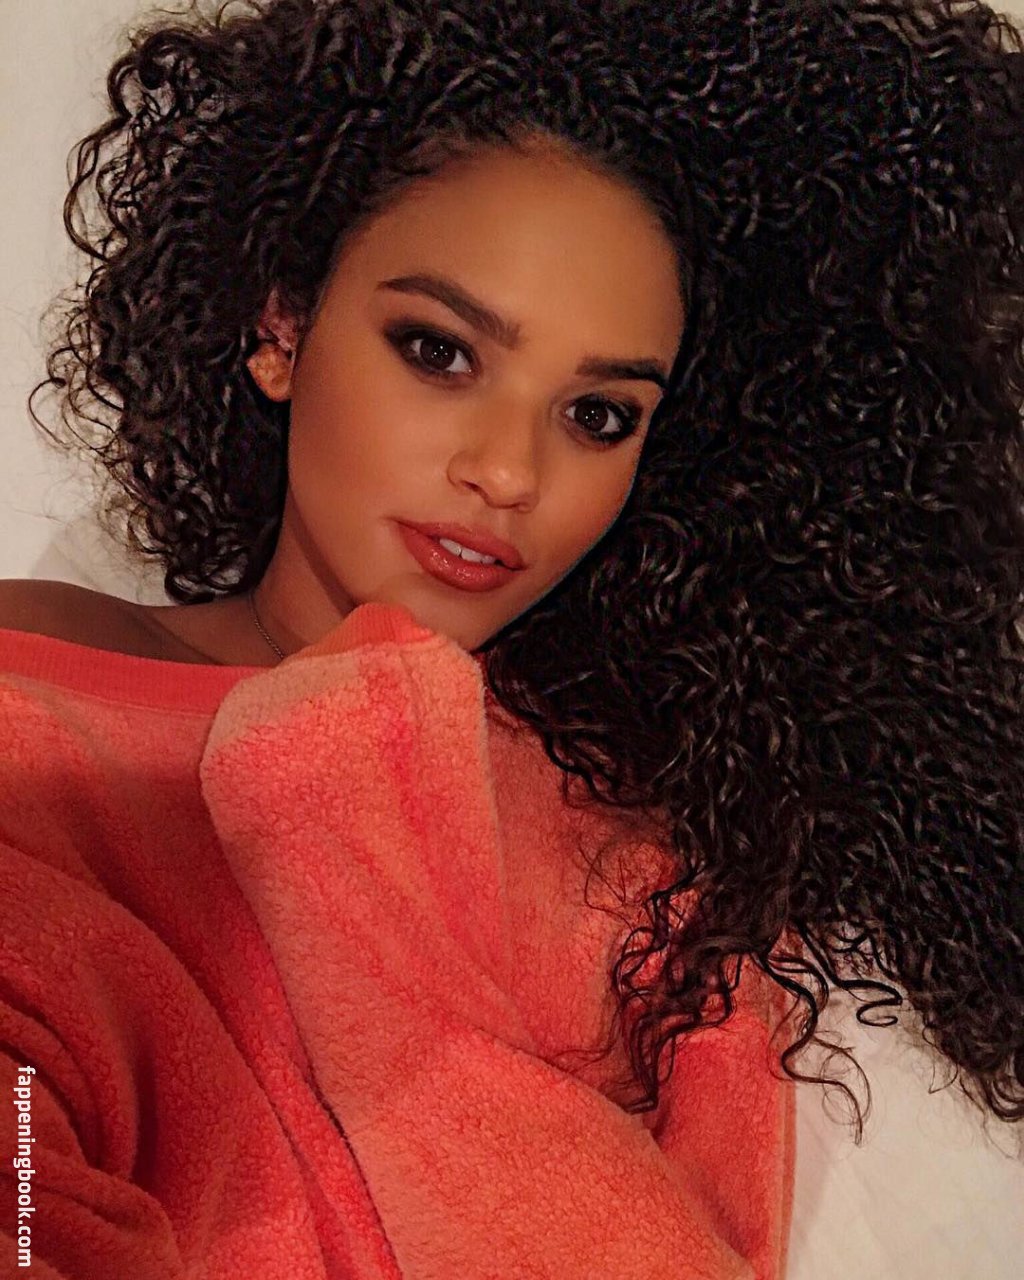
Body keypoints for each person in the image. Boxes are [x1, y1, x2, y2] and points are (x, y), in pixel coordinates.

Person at [1, 0, 1022, 1274]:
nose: (508, 471)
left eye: (598, 414)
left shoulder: (662, 875)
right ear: (280, 327)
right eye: (438, 350)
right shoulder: (32, 710)